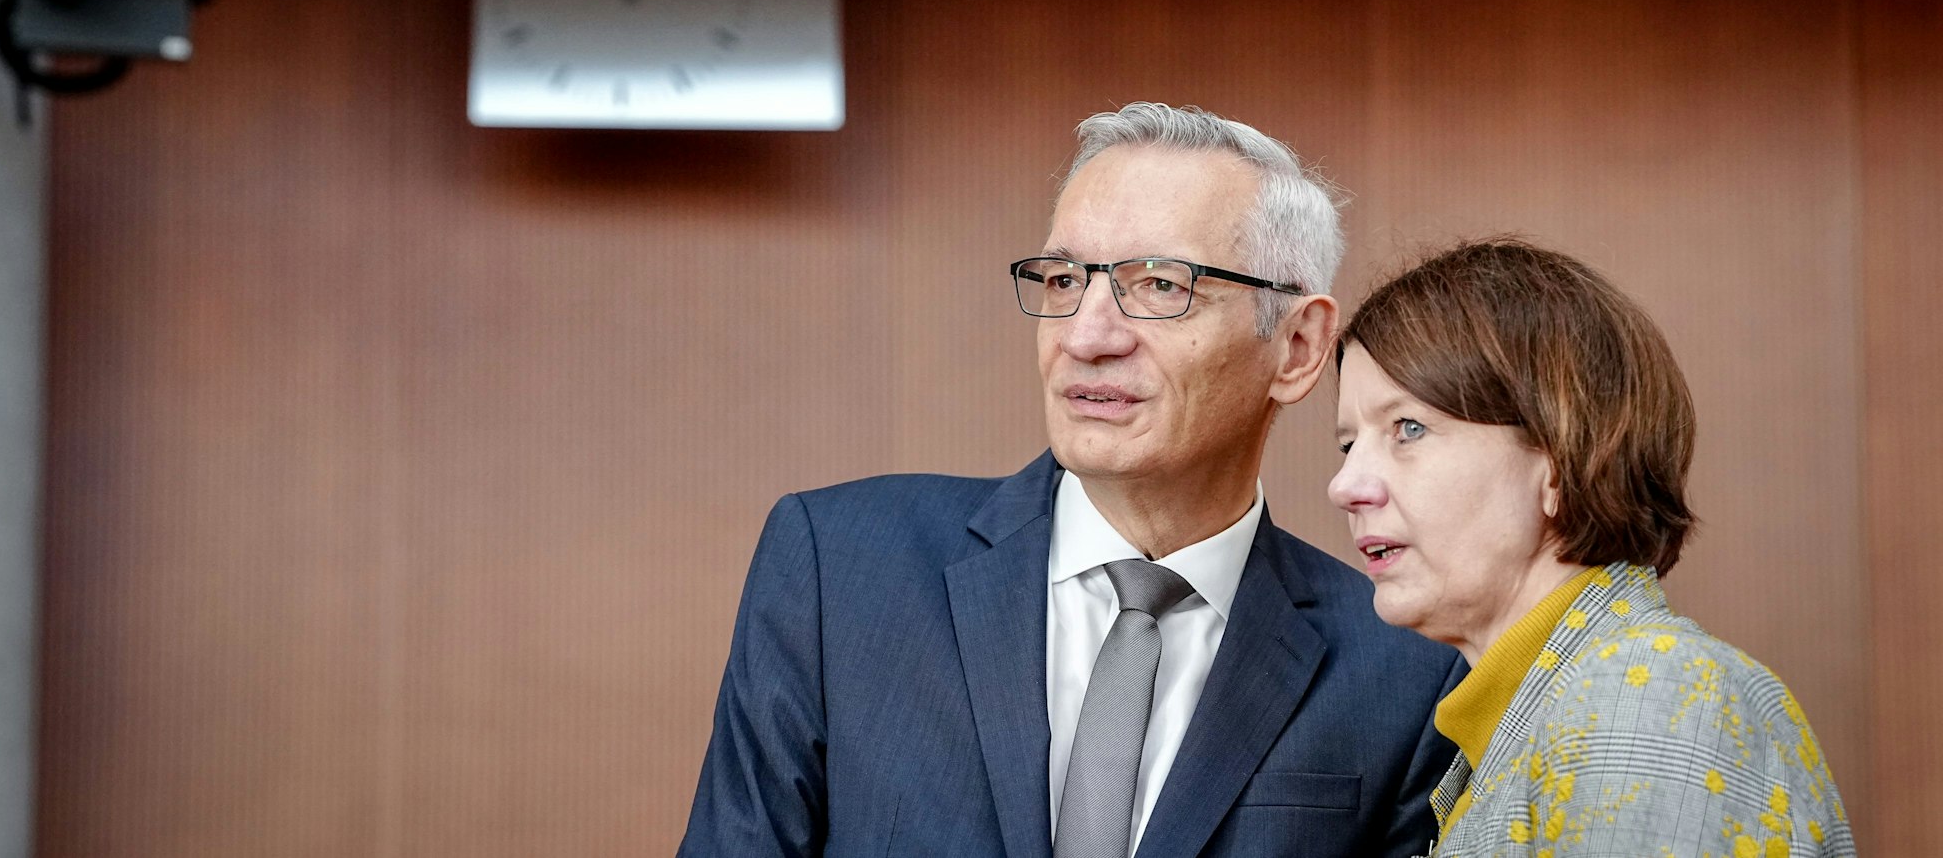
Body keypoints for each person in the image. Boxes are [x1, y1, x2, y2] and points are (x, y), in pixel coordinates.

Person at [681, 103, 1462, 857]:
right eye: (1062, 279)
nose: (1086, 335)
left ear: (1296, 345)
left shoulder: (1404, 669)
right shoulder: (840, 570)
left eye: (1161, 284)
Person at [1329, 238, 1855, 857]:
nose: (1346, 487)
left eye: (1408, 429)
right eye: (1347, 445)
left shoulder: (1647, 693)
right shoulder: (1534, 719)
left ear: (1558, 457)